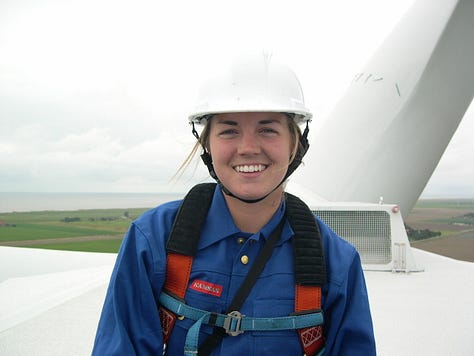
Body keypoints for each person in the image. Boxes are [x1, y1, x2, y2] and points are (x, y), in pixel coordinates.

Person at [92, 53, 376, 355]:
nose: (248, 148)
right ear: (207, 144)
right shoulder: (154, 240)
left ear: (296, 144)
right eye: (229, 130)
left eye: (268, 130)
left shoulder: (335, 263)